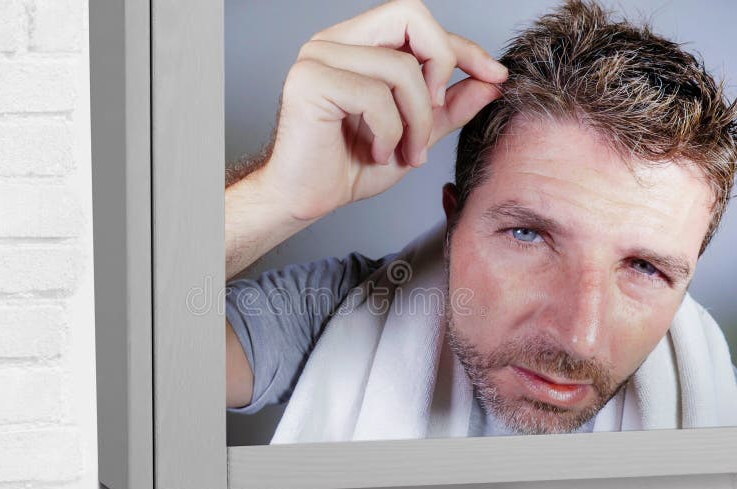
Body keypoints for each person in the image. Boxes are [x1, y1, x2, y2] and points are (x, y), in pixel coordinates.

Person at [224, 0, 737, 442]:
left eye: (646, 267)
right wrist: (278, 195)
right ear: (454, 220)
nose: (578, 338)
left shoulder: (716, 396)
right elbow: (147, 363)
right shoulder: (347, 314)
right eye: (528, 234)